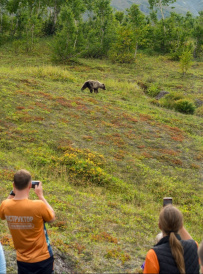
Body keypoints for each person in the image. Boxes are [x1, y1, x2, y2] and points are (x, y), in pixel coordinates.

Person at [0, 169, 55, 274]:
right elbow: (52, 218)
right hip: (43, 258)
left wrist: (13, 191)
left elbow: (2, 214)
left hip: (22, 259)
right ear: (30, 185)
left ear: (13, 185)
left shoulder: (5, 205)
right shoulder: (38, 205)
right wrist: (41, 196)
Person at [143, 204, 199, 274]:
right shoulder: (194, 247)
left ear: (159, 226)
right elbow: (192, 243)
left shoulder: (153, 255)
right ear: (181, 225)